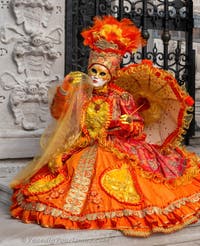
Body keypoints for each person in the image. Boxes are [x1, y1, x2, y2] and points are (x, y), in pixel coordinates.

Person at [10, 15, 200, 237]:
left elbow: (137, 126)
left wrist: (127, 124)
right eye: (94, 72)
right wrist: (65, 89)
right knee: (63, 177)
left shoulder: (122, 97)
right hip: (83, 146)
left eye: (102, 73)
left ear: (110, 74)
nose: (97, 77)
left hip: (115, 147)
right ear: (89, 70)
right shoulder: (83, 93)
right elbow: (58, 114)